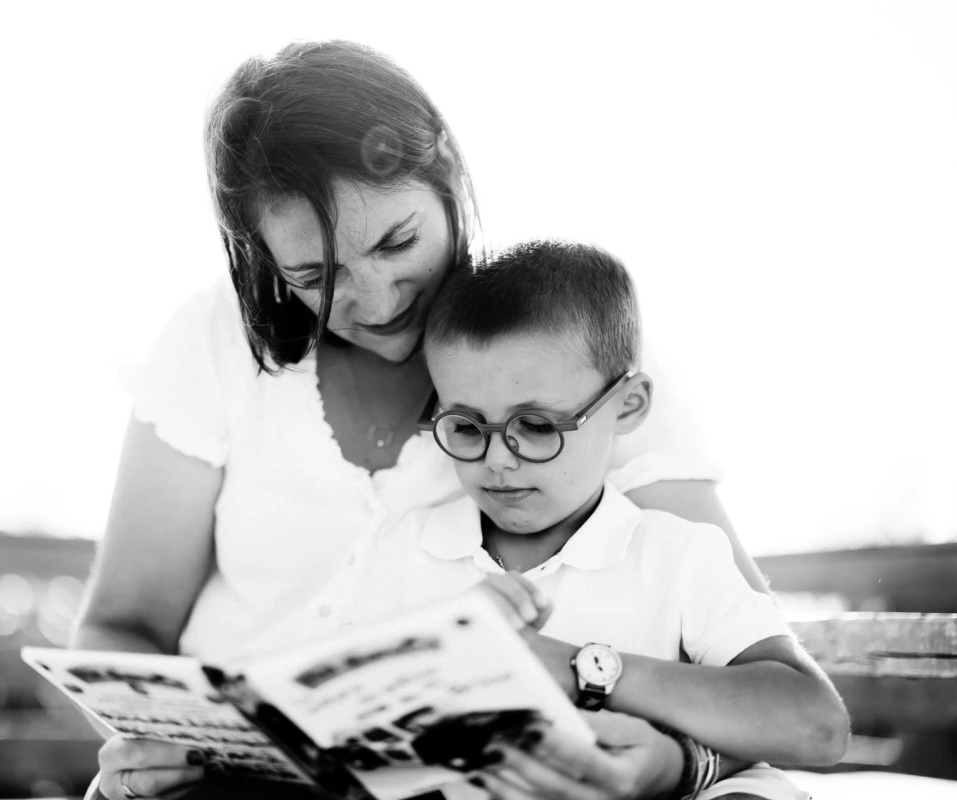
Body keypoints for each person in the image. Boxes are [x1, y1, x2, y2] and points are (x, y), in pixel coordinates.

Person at [71, 40, 783, 800]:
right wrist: (151, 742)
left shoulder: (566, 353)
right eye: (316, 279)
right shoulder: (212, 341)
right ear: (263, 264)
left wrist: (677, 761)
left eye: (397, 242)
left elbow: (768, 689)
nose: (378, 305)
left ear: (446, 174)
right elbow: (123, 625)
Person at [332, 240, 846, 799]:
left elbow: (817, 726)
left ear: (627, 406)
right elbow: (345, 743)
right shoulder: (403, 549)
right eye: (465, 426)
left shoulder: (678, 553)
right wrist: (445, 650)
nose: (498, 459)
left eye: (536, 425)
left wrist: (581, 669)